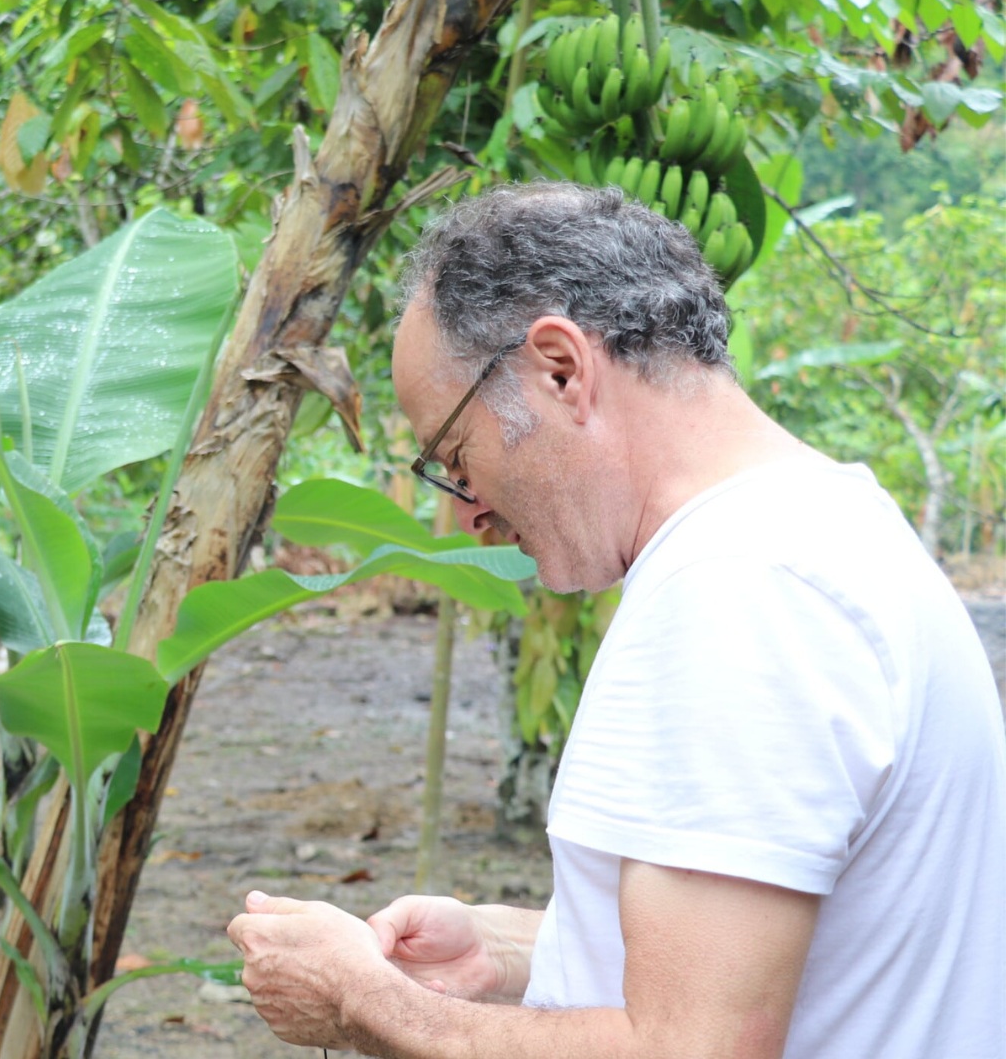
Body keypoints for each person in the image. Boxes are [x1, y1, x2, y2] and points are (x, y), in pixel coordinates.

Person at [228, 182, 1006, 1057]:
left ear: (560, 367)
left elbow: (693, 1048)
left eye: (454, 455)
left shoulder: (738, 596)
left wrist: (362, 1000)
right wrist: (509, 950)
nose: (467, 507)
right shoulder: (825, 526)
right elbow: (794, 944)